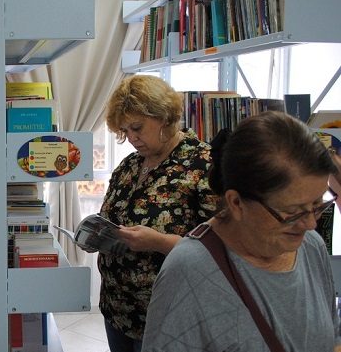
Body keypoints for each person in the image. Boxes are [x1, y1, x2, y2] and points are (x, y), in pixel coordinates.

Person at [142, 111, 341, 351]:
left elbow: (332, 337)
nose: (311, 224)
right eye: (293, 212)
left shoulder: (311, 246)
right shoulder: (189, 270)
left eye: (318, 205)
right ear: (236, 203)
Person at [96, 75, 219, 352]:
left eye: (137, 127)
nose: (131, 138)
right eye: (125, 131)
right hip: (118, 309)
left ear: (163, 116)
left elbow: (220, 247)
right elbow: (111, 218)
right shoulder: (129, 166)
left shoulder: (203, 164)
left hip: (170, 313)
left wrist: (158, 242)